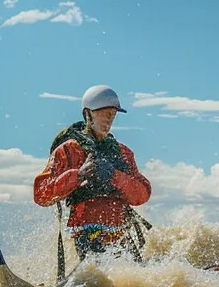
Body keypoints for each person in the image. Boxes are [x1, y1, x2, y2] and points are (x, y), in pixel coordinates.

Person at [33, 85, 152, 262]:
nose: (109, 119)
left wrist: (114, 175)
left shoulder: (124, 153)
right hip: (86, 232)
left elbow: (142, 194)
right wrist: (77, 175)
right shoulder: (67, 151)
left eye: (112, 114)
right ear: (88, 114)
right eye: (104, 113)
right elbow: (41, 194)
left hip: (121, 231)